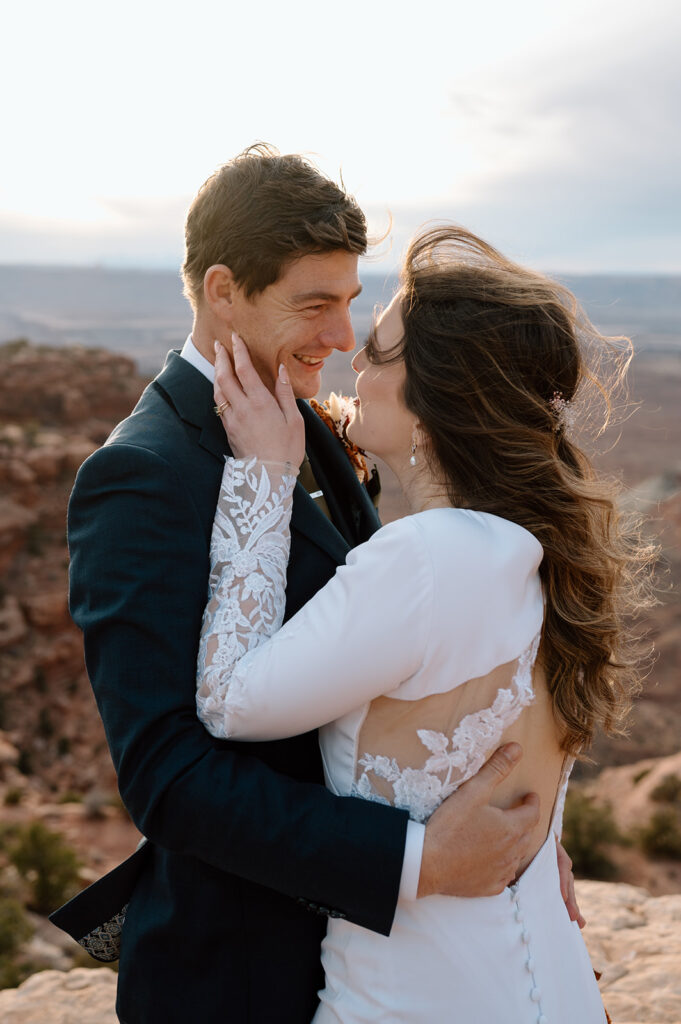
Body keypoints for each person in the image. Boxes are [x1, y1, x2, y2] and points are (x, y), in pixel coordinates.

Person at [59, 148, 575, 1024]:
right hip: (244, 968)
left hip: (373, 959)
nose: (342, 338)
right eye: (314, 305)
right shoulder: (140, 477)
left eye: (350, 302)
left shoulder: (310, 426)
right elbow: (167, 776)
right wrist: (418, 860)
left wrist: (527, 833)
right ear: (222, 291)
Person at [195, 224, 647, 1021]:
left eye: (376, 351)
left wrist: (264, 475)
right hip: (556, 993)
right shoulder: (538, 549)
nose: (352, 368)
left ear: (437, 395)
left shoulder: (430, 559)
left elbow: (231, 701)